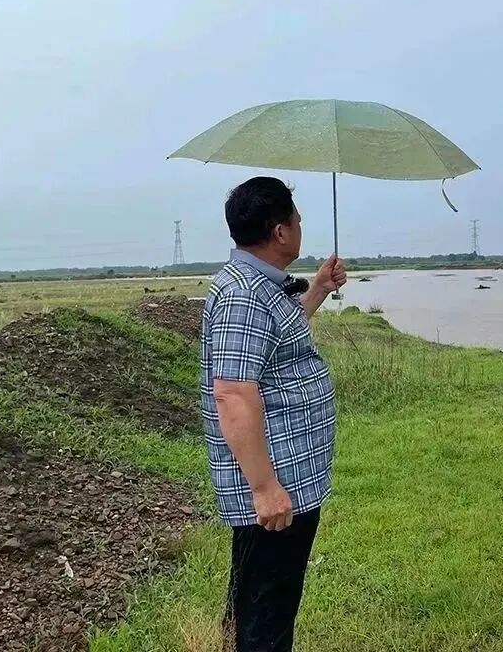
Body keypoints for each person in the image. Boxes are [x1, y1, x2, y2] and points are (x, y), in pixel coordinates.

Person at [200, 176, 347, 652]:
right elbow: (234, 395)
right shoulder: (243, 295)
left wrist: (319, 289)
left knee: (261, 602)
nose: (301, 226)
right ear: (280, 232)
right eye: (297, 219)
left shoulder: (263, 289)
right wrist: (265, 488)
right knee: (269, 613)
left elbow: (277, 340)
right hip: (275, 487)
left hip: (289, 480)